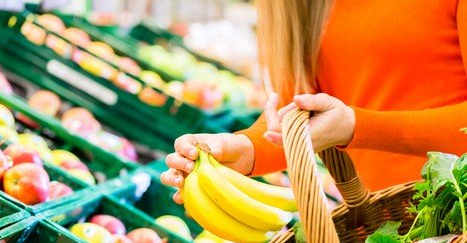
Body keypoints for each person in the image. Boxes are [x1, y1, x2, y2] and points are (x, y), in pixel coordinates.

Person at [161, 0, 467, 204]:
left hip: (456, 213)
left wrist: (356, 126)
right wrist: (243, 149)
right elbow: (294, 115)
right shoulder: (299, 7)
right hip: (390, 231)